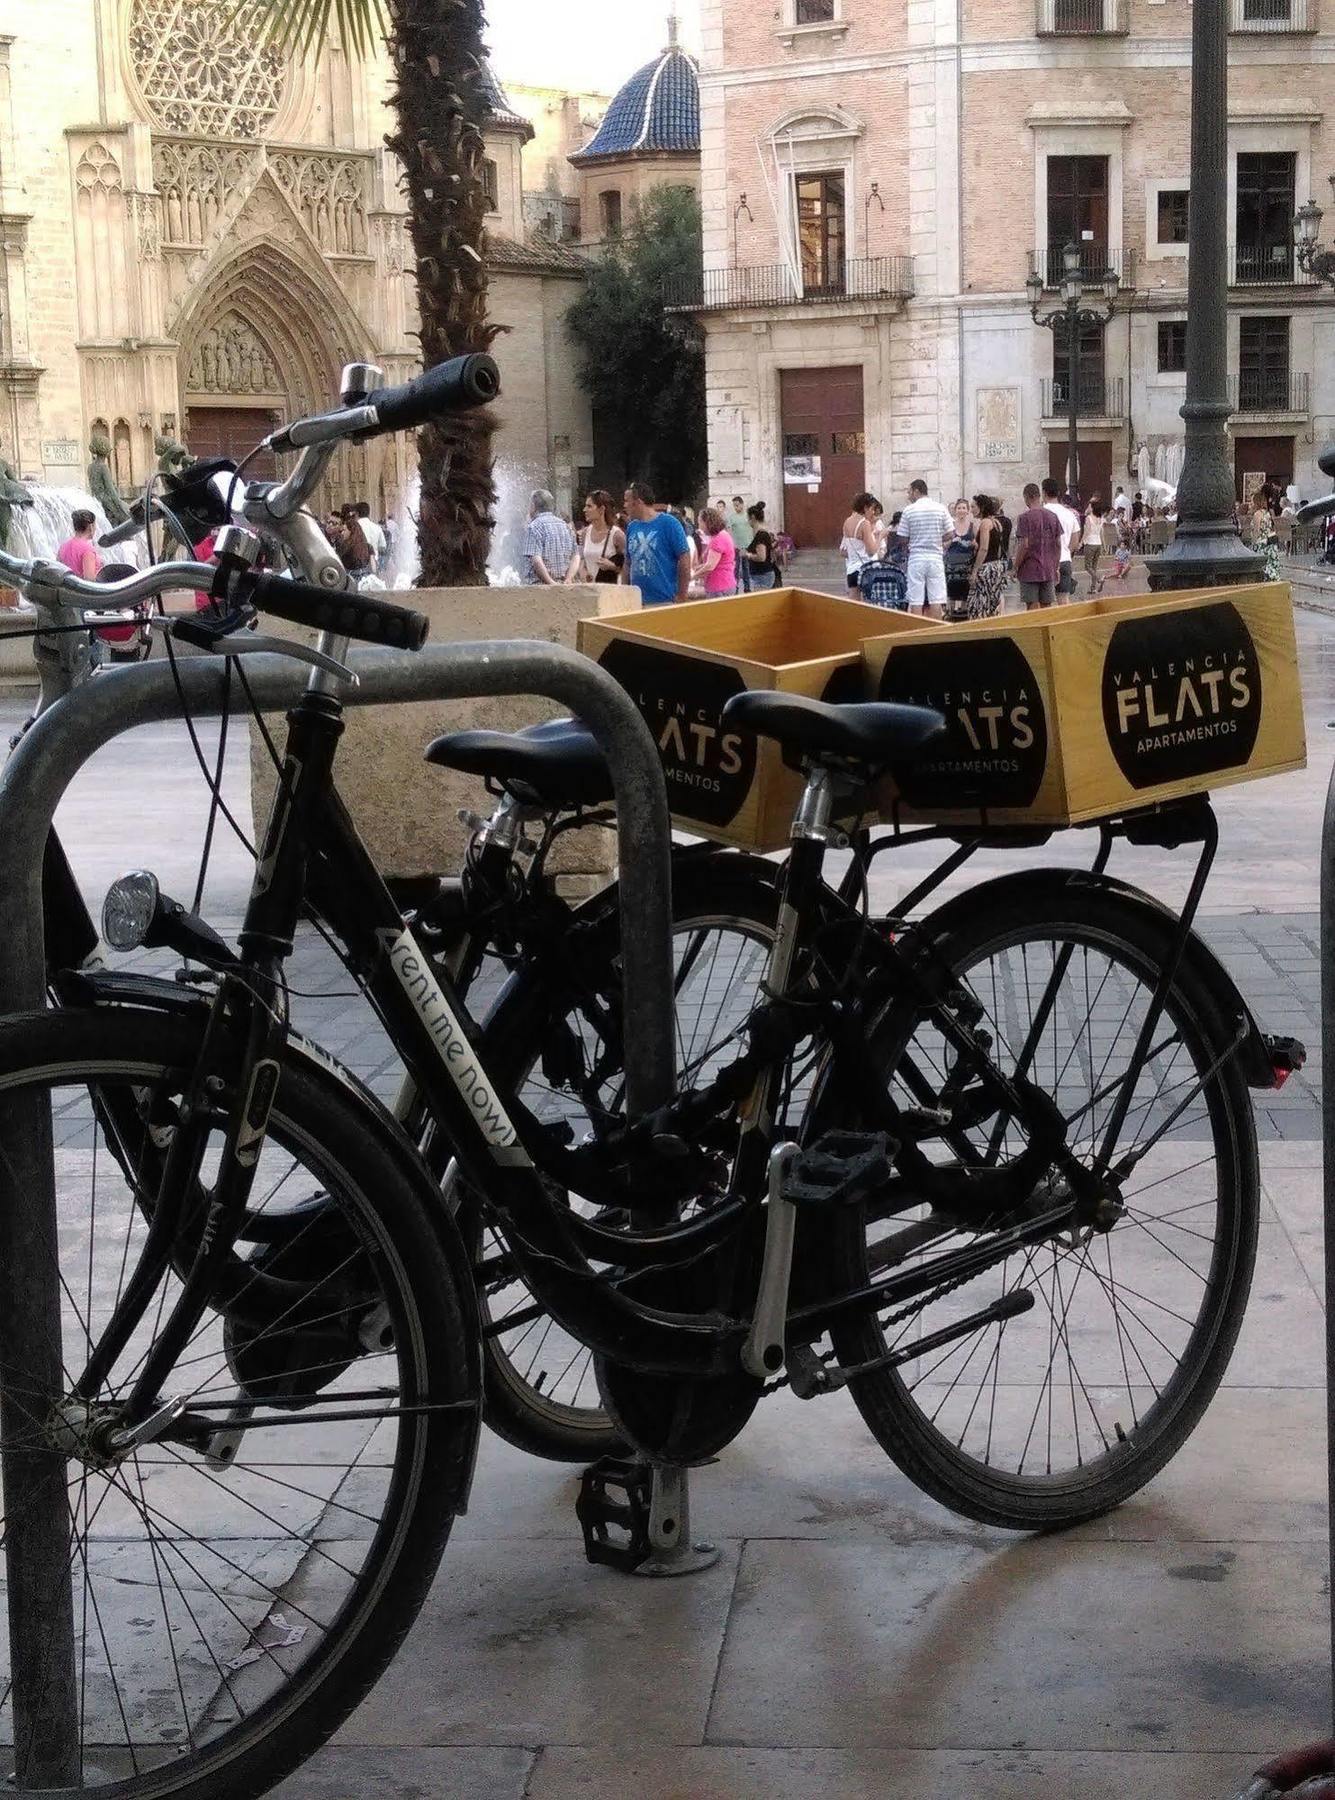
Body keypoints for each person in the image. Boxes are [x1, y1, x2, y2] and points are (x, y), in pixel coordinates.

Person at [621, 481, 691, 605]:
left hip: (664, 600)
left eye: (627, 501)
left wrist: (682, 594)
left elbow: (684, 558)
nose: (624, 505)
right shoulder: (632, 527)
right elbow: (628, 562)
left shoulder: (669, 523)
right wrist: (624, 592)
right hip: (637, 601)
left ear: (638, 502)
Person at [897, 478, 953, 615]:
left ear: (916, 491)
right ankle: (936, 631)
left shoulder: (908, 510)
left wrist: (914, 540)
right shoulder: (941, 508)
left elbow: (902, 538)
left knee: (916, 599)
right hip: (935, 558)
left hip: (916, 557)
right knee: (936, 598)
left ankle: (918, 630)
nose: (908, 496)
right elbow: (951, 533)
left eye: (909, 492)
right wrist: (936, 539)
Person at [1011, 481, 1063, 610]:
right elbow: (1058, 544)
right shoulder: (1053, 516)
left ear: (1026, 497)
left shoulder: (1024, 517)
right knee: (1047, 605)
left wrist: (1015, 566)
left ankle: (1034, 629)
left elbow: (1024, 544)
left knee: (1032, 605)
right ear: (1039, 496)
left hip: (1030, 568)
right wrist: (1056, 566)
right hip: (1048, 567)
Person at [960, 493, 1007, 620]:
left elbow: (984, 548)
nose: (971, 510)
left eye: (974, 506)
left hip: (987, 567)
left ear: (982, 507)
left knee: (978, 605)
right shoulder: (996, 522)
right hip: (996, 566)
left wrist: (975, 570)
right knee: (991, 602)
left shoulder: (985, 523)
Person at [567, 489, 625, 584]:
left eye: (589, 506)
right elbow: (583, 560)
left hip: (609, 592)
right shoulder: (585, 532)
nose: (584, 510)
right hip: (589, 591)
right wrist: (584, 573)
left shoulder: (616, 535)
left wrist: (612, 566)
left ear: (601, 509)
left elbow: (628, 567)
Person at [523, 488, 577, 587]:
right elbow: (576, 556)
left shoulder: (534, 526)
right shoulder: (564, 525)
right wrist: (568, 579)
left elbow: (536, 560)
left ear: (533, 506)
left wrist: (551, 583)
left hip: (539, 587)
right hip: (563, 586)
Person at [1042, 476, 1081, 599]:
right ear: (1058, 493)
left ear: (1043, 493)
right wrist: (1065, 551)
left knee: (1045, 601)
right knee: (1064, 599)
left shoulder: (1042, 512)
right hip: (1065, 560)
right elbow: (1075, 541)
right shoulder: (1069, 514)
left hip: (1046, 561)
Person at [840, 492, 880, 592]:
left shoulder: (847, 522)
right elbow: (871, 551)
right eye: (872, 509)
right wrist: (880, 537)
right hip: (866, 570)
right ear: (865, 507)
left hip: (851, 570)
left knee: (854, 605)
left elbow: (843, 552)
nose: (873, 512)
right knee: (868, 604)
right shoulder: (864, 523)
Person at [696, 504, 738, 597]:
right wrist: (697, 569)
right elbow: (717, 562)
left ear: (707, 522)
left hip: (719, 587)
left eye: (700, 523)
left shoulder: (718, 539)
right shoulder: (721, 535)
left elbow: (710, 566)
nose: (699, 526)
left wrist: (691, 577)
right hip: (723, 585)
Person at [56, 509, 102, 582]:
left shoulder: (63, 547)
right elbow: (89, 580)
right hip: (81, 592)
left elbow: (58, 572)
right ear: (91, 526)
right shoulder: (88, 550)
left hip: (67, 590)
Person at [742, 503, 778, 591]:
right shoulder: (763, 533)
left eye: (748, 518)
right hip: (761, 574)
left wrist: (747, 554)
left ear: (753, 517)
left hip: (762, 576)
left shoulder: (761, 535)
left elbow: (761, 557)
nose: (748, 521)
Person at [1252, 483, 1282, 583]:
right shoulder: (1267, 513)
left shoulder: (1257, 514)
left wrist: (1253, 544)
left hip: (1262, 543)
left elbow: (1256, 530)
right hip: (1270, 542)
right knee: (1271, 565)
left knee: (1262, 566)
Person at [725, 495, 753, 592]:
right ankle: (735, 588)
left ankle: (747, 587)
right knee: (735, 568)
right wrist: (731, 544)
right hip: (736, 547)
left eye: (737, 505)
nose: (736, 508)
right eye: (734, 506)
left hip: (747, 546)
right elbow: (729, 531)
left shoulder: (748, 516)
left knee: (747, 568)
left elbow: (753, 528)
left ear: (742, 504)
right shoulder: (731, 517)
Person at [1083, 496, 1107, 596]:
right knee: (1094, 566)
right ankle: (1093, 588)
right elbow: (1102, 533)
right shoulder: (1101, 519)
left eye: (1089, 506)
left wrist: (1082, 541)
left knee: (1087, 567)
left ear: (1092, 508)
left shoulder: (1089, 518)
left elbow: (1087, 531)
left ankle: (1099, 579)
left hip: (1090, 543)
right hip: (1098, 544)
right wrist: (1105, 546)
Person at [355, 501, 385, 570]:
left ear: (357, 513)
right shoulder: (377, 527)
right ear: (368, 513)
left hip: (358, 565)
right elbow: (383, 546)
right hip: (373, 563)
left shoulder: (354, 527)